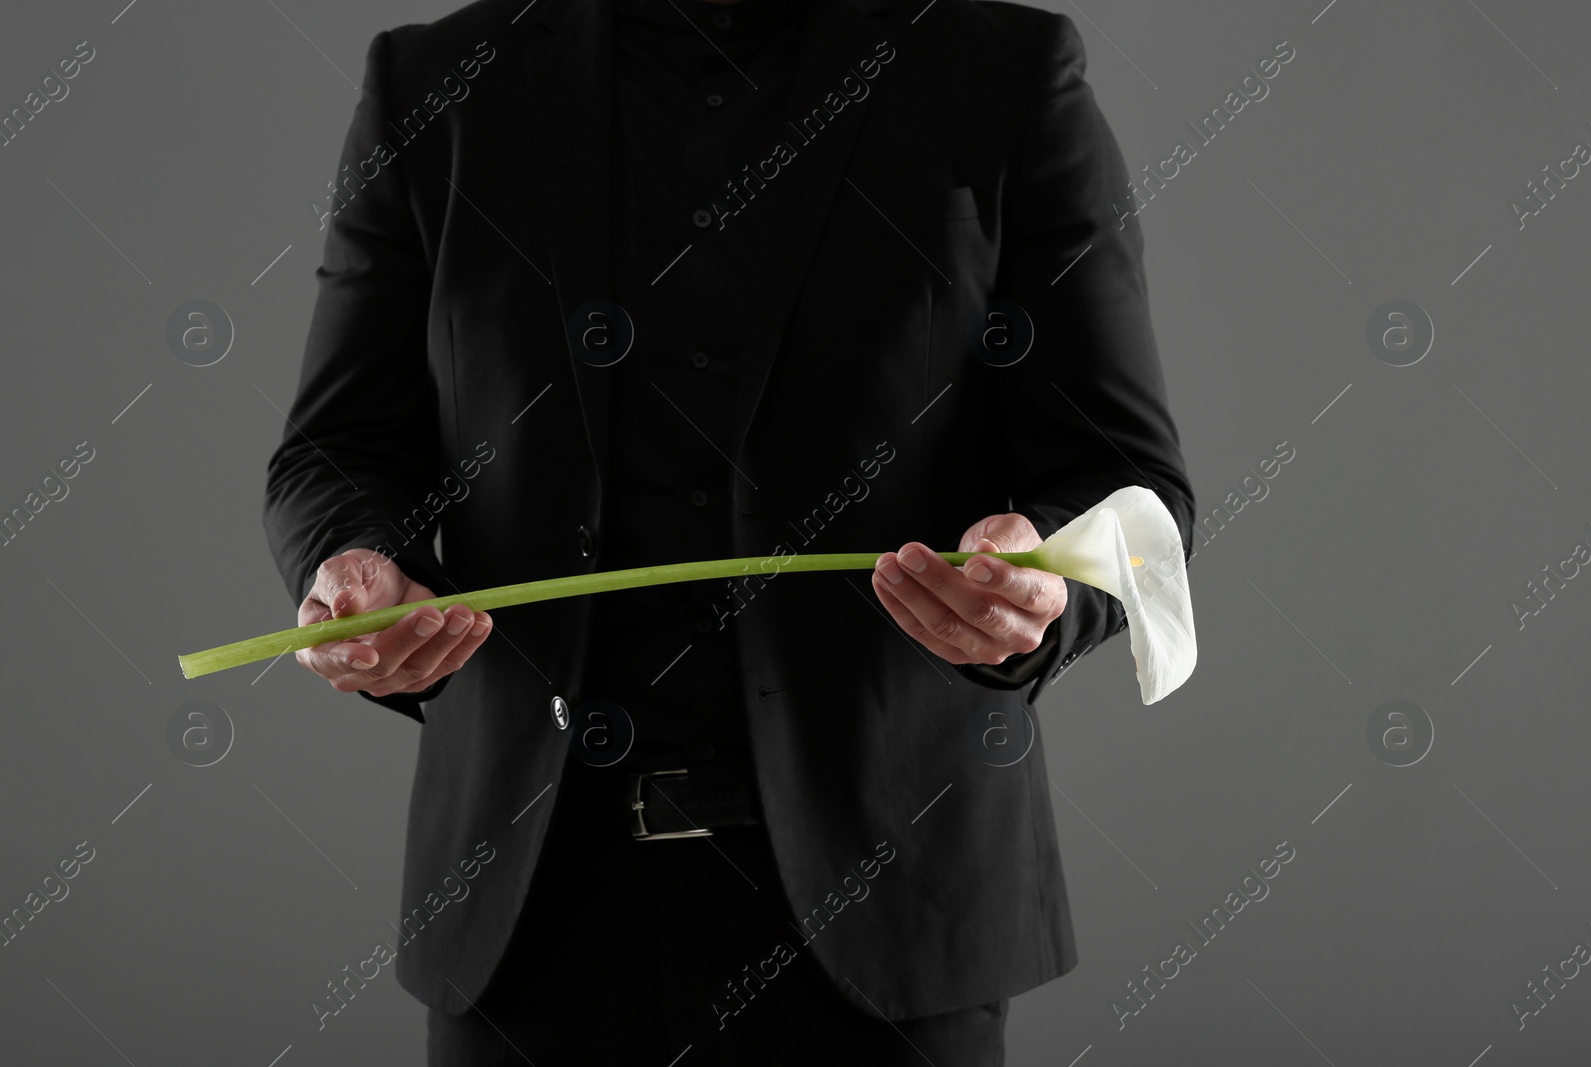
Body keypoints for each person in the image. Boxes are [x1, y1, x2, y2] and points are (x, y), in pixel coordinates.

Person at [264, 0, 1194, 1061]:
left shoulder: (1001, 70)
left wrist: (1046, 593)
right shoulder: (431, 81)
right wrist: (355, 564)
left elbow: (1126, 476)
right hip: (524, 916)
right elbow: (332, 451)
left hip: (894, 912)